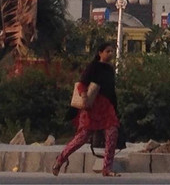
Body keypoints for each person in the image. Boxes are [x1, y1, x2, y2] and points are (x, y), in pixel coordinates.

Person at [52, 42, 121, 177]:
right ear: (100, 53)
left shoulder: (110, 69)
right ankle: (60, 159)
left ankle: (106, 168)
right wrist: (84, 97)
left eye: (112, 51)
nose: (111, 54)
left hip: (107, 107)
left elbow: (111, 90)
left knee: (112, 133)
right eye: (108, 51)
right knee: (82, 137)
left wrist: (116, 108)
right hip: (92, 107)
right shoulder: (93, 67)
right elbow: (82, 83)